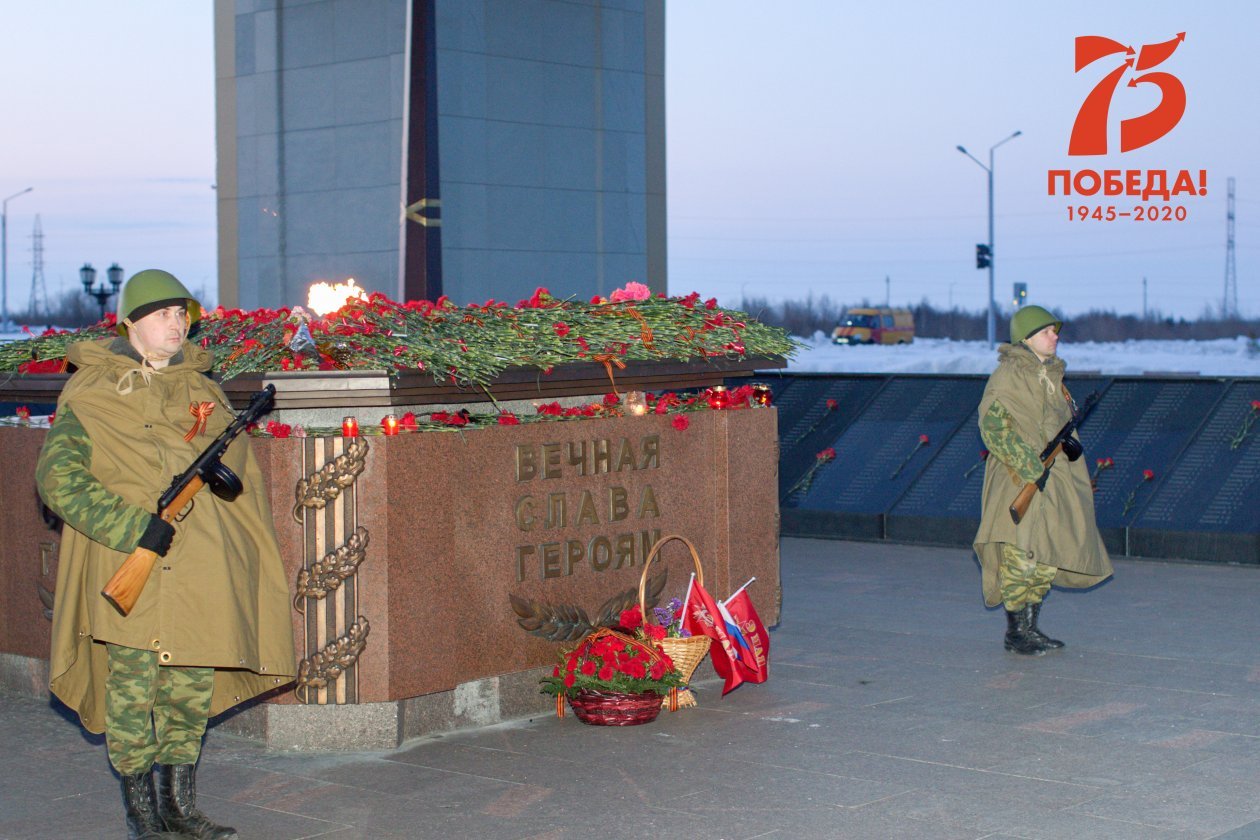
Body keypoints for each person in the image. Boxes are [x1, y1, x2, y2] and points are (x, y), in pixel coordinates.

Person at [36, 270, 295, 839]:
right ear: (131, 323)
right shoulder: (93, 392)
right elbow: (57, 479)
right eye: (162, 315)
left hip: (199, 567)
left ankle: (181, 809)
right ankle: (144, 816)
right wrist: (132, 526)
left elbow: (238, 476)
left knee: (187, 694)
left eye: (182, 314)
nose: (176, 324)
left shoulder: (202, 390)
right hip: (128, 565)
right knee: (132, 696)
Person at [973, 305, 1112, 655]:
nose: (1055, 336)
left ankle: (1031, 628)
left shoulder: (1052, 376)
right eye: (1047, 331)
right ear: (1027, 337)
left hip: (1053, 480)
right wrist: (1030, 466)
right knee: (1021, 555)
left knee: (1045, 555)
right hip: (1019, 478)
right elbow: (992, 427)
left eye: (1055, 331)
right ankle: (1017, 632)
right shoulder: (1009, 376)